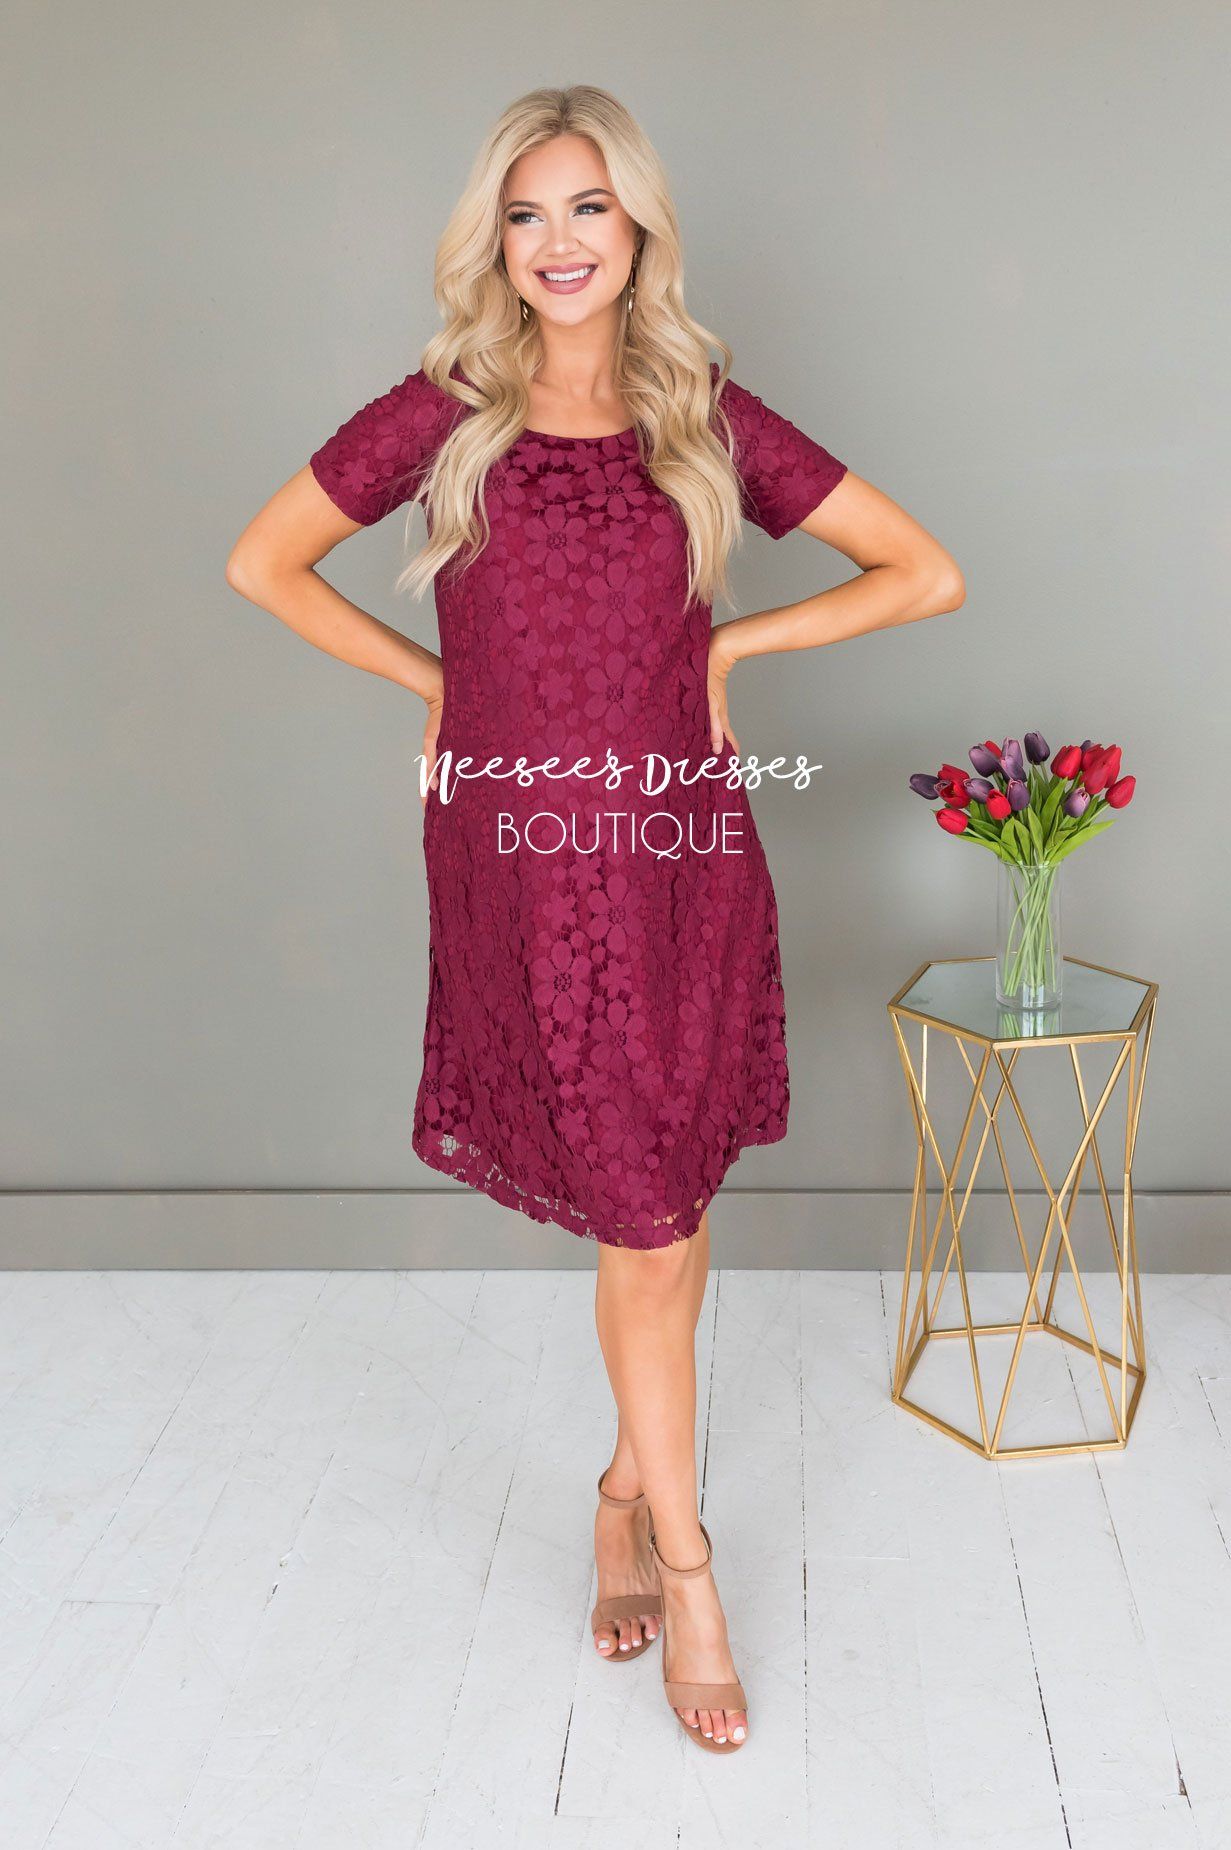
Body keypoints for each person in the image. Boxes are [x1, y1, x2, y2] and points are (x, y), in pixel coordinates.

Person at [226, 84, 964, 1757]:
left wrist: (730, 650)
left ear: (637, 230)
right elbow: (264, 561)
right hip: (523, 859)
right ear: (494, 241)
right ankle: (687, 1567)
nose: (558, 243)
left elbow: (924, 571)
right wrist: (440, 685)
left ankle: (625, 1489)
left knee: (667, 1208)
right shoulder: (443, 412)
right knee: (642, 1210)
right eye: (526, 214)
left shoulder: (702, 412)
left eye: (588, 209)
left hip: (680, 853)